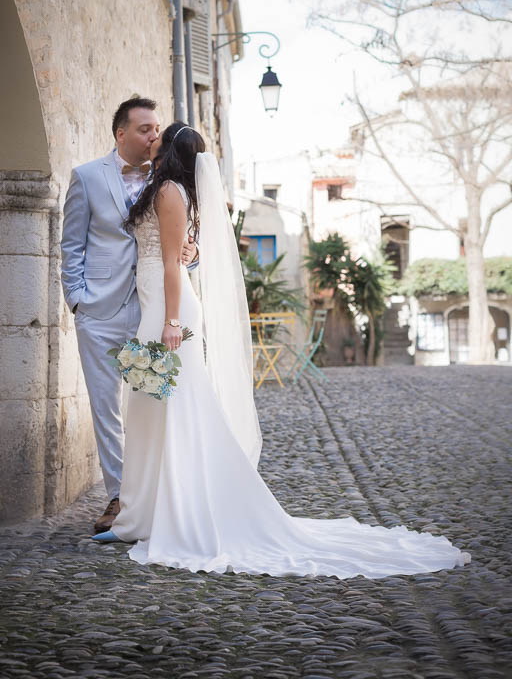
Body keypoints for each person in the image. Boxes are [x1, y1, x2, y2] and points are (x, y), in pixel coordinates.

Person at [93, 123, 471, 580]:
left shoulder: (170, 190)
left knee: (172, 408)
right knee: (151, 409)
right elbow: (181, 253)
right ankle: (142, 514)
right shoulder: (165, 187)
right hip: (156, 304)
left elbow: (174, 263)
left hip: (169, 312)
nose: (150, 136)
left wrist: (171, 322)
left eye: (158, 134)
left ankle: (176, 514)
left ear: (171, 148)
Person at [60, 98, 198, 533]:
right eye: (144, 129)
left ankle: (151, 495)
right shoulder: (85, 177)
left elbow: (177, 245)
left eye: (156, 128)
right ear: (121, 133)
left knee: (146, 404)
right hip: (98, 311)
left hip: (148, 309)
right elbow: (71, 245)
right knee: (106, 407)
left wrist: (191, 256)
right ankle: (120, 497)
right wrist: (78, 300)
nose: (153, 135)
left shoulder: (166, 179)